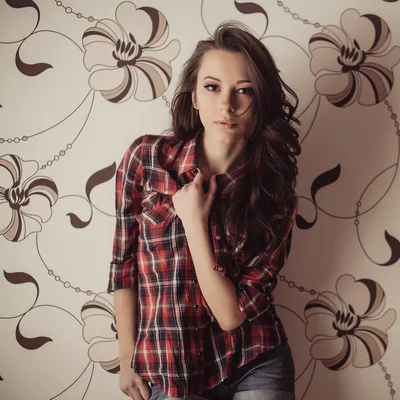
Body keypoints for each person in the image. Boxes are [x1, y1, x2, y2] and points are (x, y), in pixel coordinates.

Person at [107, 21, 301, 400]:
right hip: (172, 367)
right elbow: (123, 264)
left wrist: (194, 222)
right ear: (194, 97)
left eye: (243, 92)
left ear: (260, 103)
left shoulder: (275, 195)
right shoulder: (146, 160)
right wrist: (127, 354)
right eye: (212, 88)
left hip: (255, 359)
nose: (226, 105)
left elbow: (230, 316)